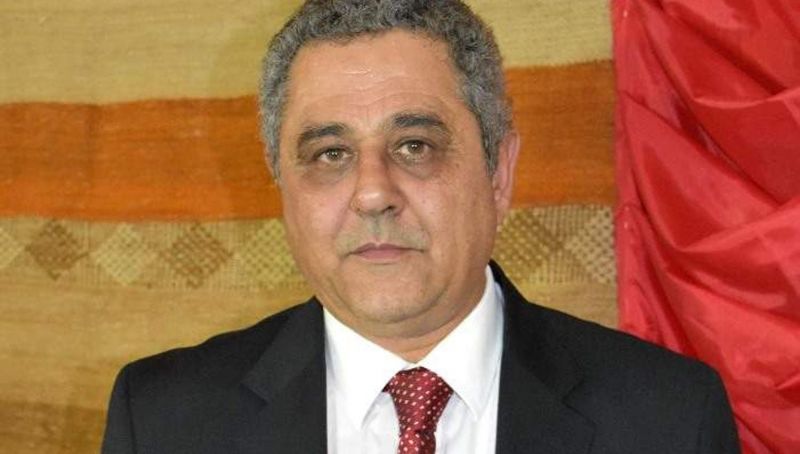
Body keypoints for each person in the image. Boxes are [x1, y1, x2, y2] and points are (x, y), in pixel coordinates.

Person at [101, 1, 741, 453]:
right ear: (282, 188)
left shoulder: (670, 419)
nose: (373, 193)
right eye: (330, 154)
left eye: (415, 146)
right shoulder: (162, 421)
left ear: (499, 173)